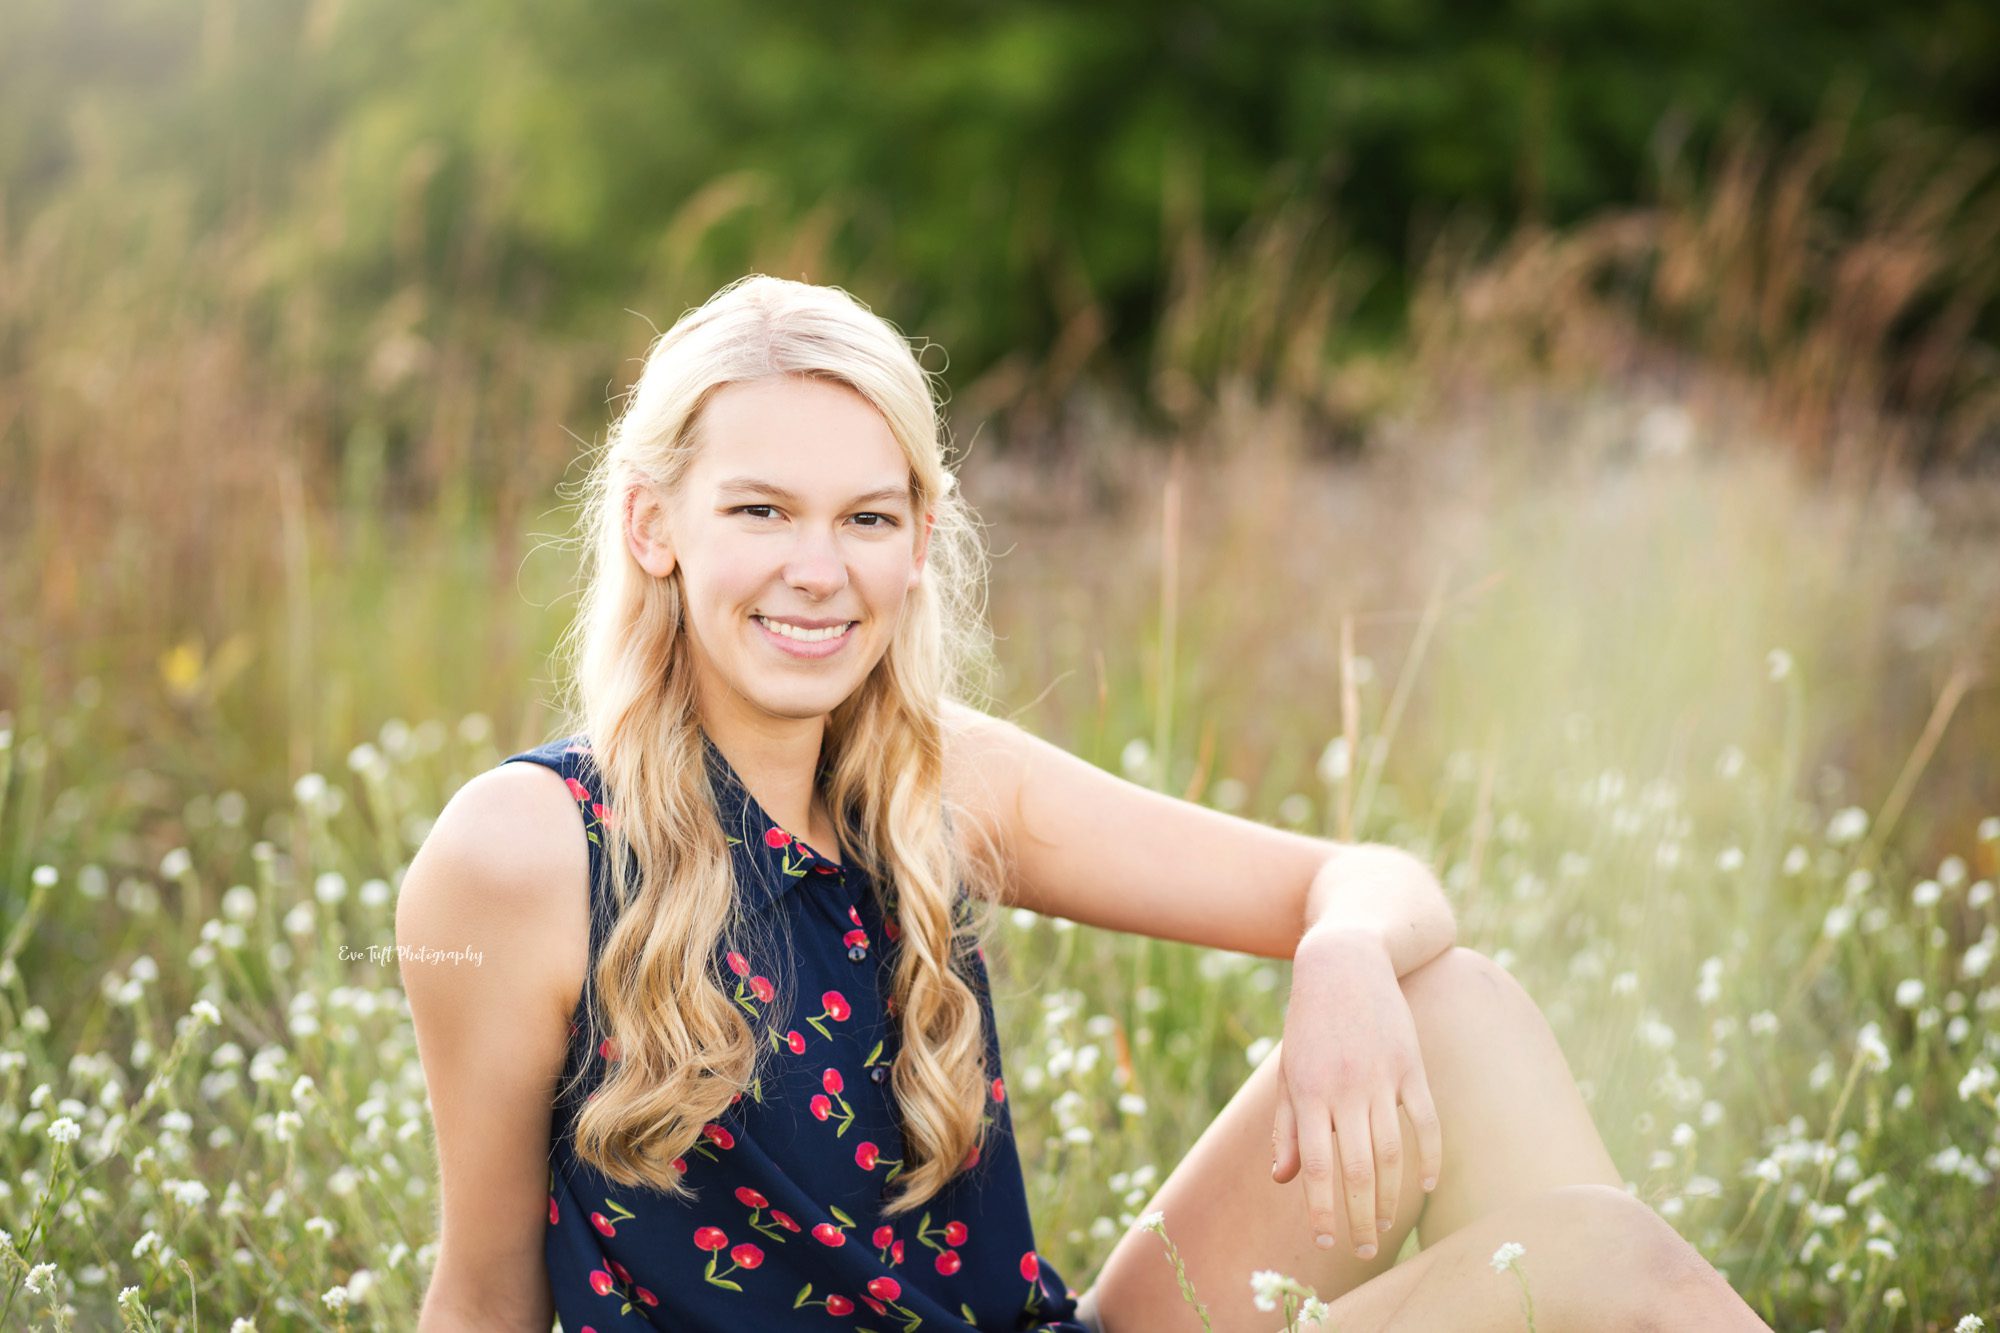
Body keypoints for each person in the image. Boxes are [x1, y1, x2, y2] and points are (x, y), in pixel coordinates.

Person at [396, 274, 1773, 1332]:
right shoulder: (526, 852)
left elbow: (1371, 879)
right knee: (1612, 1268)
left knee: (1452, 1002)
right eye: (761, 511)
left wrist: (1342, 948)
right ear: (654, 525)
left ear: (920, 542)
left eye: (867, 518)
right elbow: (482, 1298)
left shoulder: (937, 778)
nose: (819, 568)